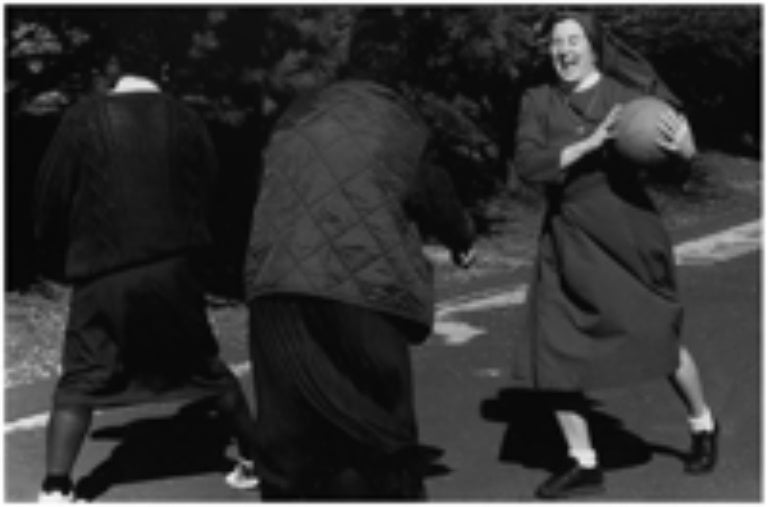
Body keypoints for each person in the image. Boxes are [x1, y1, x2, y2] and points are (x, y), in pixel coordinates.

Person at [242, 12, 476, 501]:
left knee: (290, 445)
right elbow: (435, 194)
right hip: (360, 294)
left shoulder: (299, 111)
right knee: (380, 437)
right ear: (402, 69)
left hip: (276, 285)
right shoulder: (400, 122)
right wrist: (462, 237)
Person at [34, 27, 259, 502]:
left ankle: (56, 487)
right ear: (165, 71)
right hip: (174, 269)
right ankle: (254, 457)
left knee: (82, 377)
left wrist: (58, 255)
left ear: (111, 70)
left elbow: (51, 197)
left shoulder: (82, 119)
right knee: (206, 367)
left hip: (102, 271)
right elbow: (213, 191)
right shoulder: (186, 119)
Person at [510, 10, 718, 500]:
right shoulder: (536, 100)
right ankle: (584, 462)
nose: (563, 50)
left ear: (594, 46)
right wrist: (589, 144)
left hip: (626, 234)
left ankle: (703, 425)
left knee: (658, 338)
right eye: (556, 42)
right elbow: (527, 165)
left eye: (573, 40)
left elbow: (671, 173)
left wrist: (685, 154)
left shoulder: (630, 101)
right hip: (565, 237)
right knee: (553, 350)